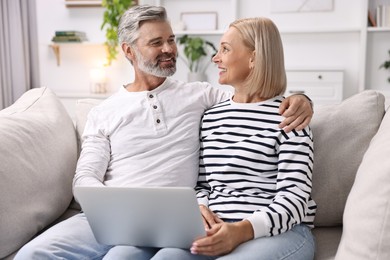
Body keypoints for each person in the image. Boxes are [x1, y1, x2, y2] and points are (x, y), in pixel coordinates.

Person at [15, 6, 313, 260]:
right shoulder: (103, 112)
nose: (169, 49)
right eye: (157, 42)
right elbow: (85, 177)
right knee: (31, 255)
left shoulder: (201, 97)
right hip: (115, 215)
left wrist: (303, 100)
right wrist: (117, 211)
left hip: (176, 222)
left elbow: (256, 98)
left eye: (171, 40)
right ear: (129, 51)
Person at [190, 17, 316, 259]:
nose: (216, 58)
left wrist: (240, 231)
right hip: (215, 230)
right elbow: (203, 184)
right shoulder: (211, 117)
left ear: (254, 58)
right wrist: (200, 208)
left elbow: (294, 198)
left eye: (225, 49)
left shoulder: (291, 117)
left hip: (279, 233)